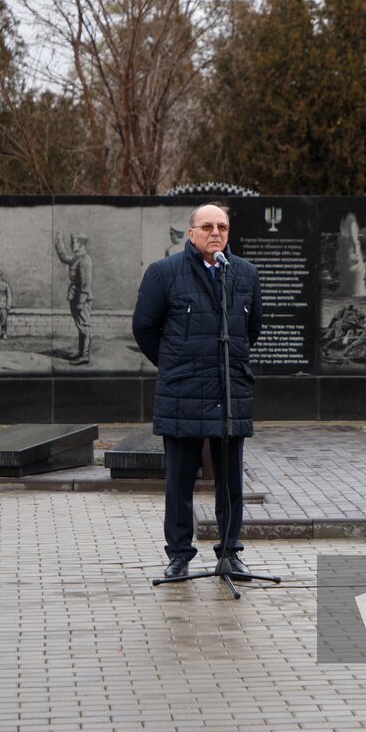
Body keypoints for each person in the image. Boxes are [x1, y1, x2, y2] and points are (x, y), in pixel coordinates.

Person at [132, 203, 263, 581]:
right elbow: (144, 328)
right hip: (182, 394)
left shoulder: (244, 274)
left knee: (230, 481)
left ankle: (230, 552)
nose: (215, 232)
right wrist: (175, 365)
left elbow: (251, 328)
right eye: (207, 226)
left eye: (222, 226)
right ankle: (178, 555)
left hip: (229, 392)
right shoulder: (164, 273)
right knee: (179, 482)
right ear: (191, 233)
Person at [55, 232, 93, 365]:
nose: (71, 245)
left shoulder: (84, 260)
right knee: (80, 326)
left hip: (82, 298)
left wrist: (81, 301)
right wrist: (59, 241)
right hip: (75, 296)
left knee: (84, 326)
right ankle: (81, 352)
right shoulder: (77, 258)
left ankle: (84, 355)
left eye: (73, 243)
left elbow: (85, 283)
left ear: (81, 244)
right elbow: (64, 257)